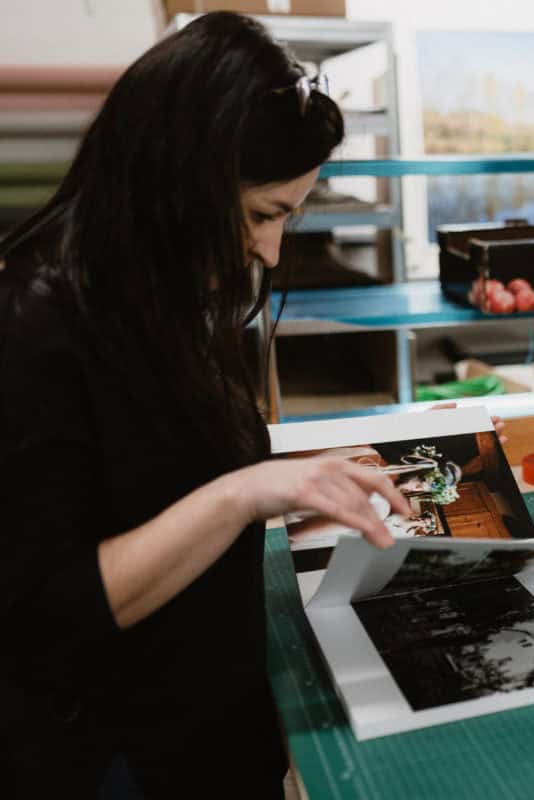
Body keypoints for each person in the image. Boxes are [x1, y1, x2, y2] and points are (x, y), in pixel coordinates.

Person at [0, 13, 419, 797]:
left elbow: (170, 476)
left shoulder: (169, 290)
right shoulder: (32, 324)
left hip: (209, 720)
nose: (269, 251)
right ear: (174, 181)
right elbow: (49, 614)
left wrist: (298, 479)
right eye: (262, 215)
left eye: (288, 217)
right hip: (112, 753)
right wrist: (246, 494)